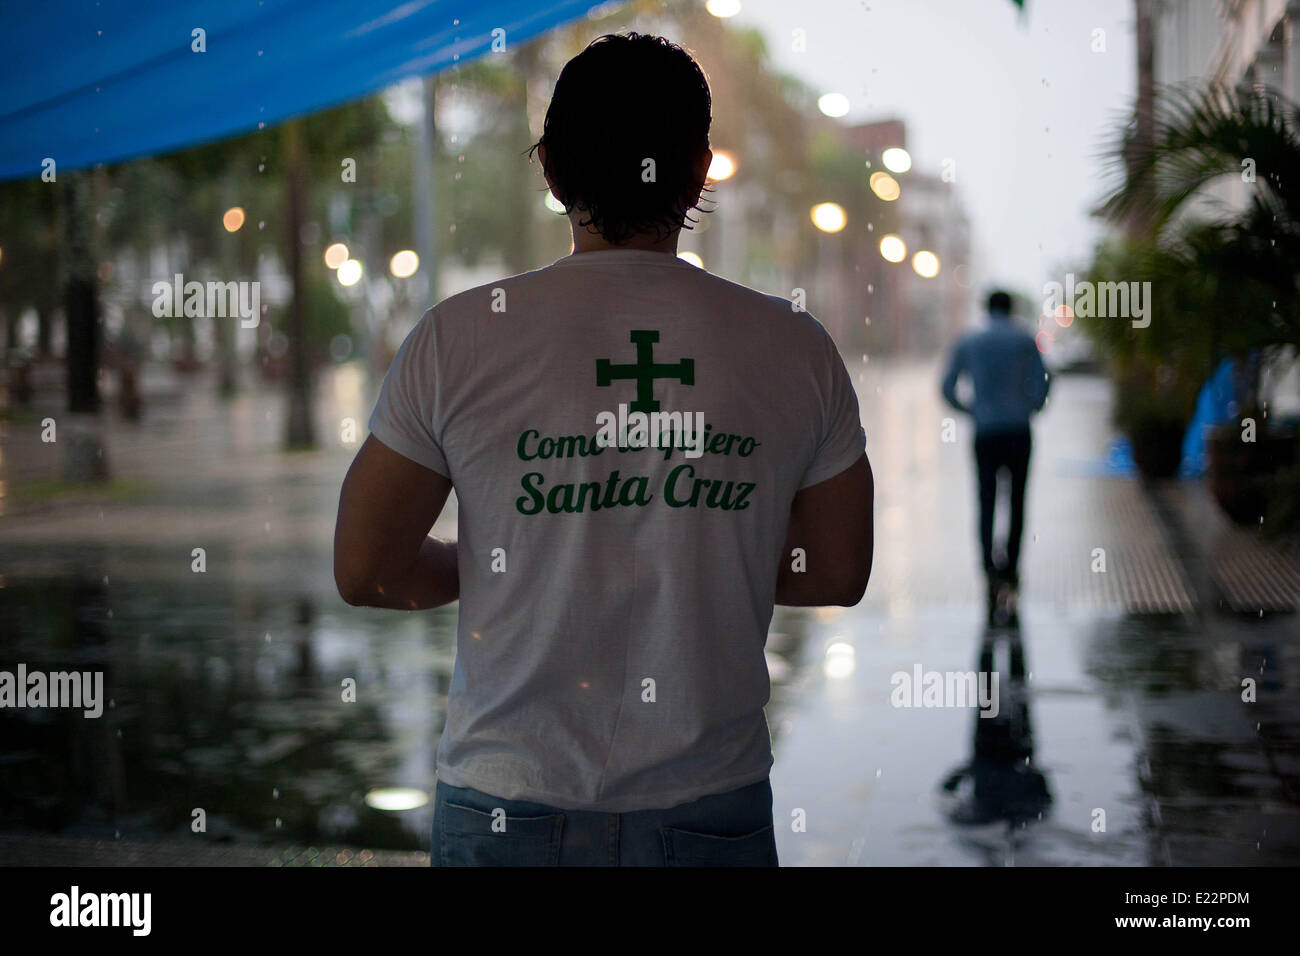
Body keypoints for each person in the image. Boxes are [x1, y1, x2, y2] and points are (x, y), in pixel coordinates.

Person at [333, 32, 874, 866]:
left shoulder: (459, 340)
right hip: (709, 810)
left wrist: (506, 560)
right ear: (700, 169)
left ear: (551, 170)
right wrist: (707, 548)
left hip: (506, 804)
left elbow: (366, 569)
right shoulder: (793, 347)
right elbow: (837, 572)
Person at [941, 290, 1050, 627]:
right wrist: (1029, 406)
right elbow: (1044, 383)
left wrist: (972, 410)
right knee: (1017, 500)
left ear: (986, 308)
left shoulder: (970, 341)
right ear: (1011, 308)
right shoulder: (1024, 340)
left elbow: (947, 387)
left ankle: (989, 568)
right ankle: (1011, 567)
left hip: (985, 432)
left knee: (986, 499)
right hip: (1018, 431)